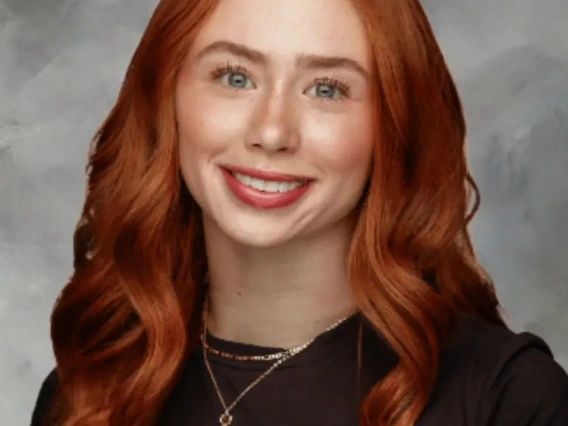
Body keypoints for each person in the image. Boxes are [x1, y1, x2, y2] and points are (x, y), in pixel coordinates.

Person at [30, 0, 568, 425]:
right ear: (165, 97)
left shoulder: (510, 400)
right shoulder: (86, 392)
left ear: (396, 126)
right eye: (235, 77)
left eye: (327, 89)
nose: (271, 132)